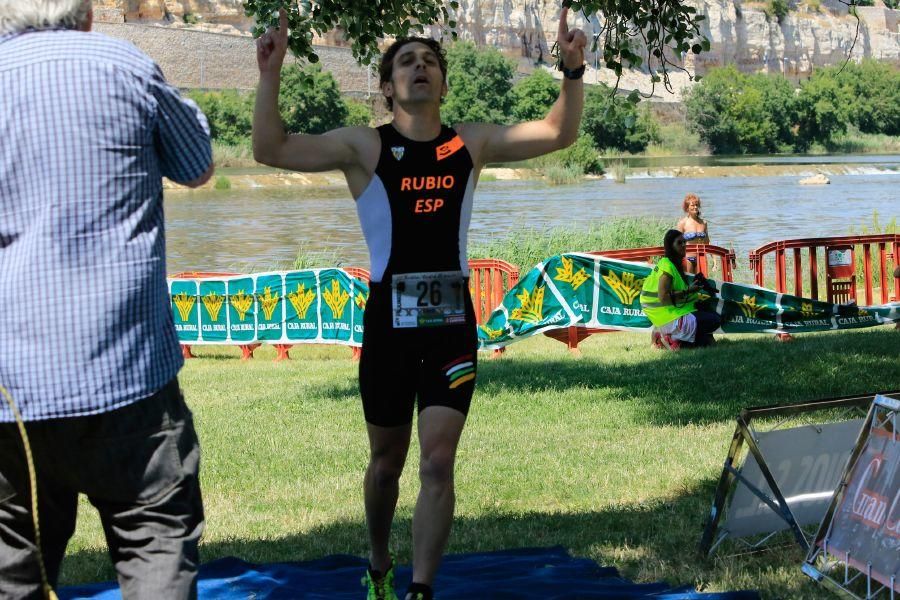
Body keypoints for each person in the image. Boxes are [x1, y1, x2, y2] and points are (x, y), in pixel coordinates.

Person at [253, 7, 585, 600]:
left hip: (450, 326)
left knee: (436, 463)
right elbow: (270, 149)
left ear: (443, 82)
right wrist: (271, 73)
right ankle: (380, 559)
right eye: (407, 62)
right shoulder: (363, 147)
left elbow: (559, 132)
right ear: (387, 87)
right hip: (387, 326)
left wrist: (571, 69)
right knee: (387, 465)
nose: (420, 67)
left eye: (430, 61)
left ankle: (421, 589)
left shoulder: (472, 142)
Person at [0, 1, 214, 597]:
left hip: (8, 387)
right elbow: (198, 166)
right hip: (127, 374)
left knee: (10, 566)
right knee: (156, 542)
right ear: (88, 15)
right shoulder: (127, 64)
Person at [640, 230, 721, 350]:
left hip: (668, 315)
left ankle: (669, 337)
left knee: (706, 319)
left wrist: (693, 288)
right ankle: (670, 339)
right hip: (669, 318)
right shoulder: (667, 267)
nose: (684, 245)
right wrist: (688, 291)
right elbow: (664, 298)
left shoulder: (668, 263)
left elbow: (677, 292)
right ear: (670, 246)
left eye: (684, 242)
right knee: (714, 320)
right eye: (679, 243)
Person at [676, 193, 710, 274]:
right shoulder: (682, 223)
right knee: (690, 282)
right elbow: (677, 243)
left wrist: (715, 260)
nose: (695, 207)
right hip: (688, 258)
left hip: (701, 257)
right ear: (687, 208)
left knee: (701, 282)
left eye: (697, 205)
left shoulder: (703, 223)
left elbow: (707, 242)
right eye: (692, 205)